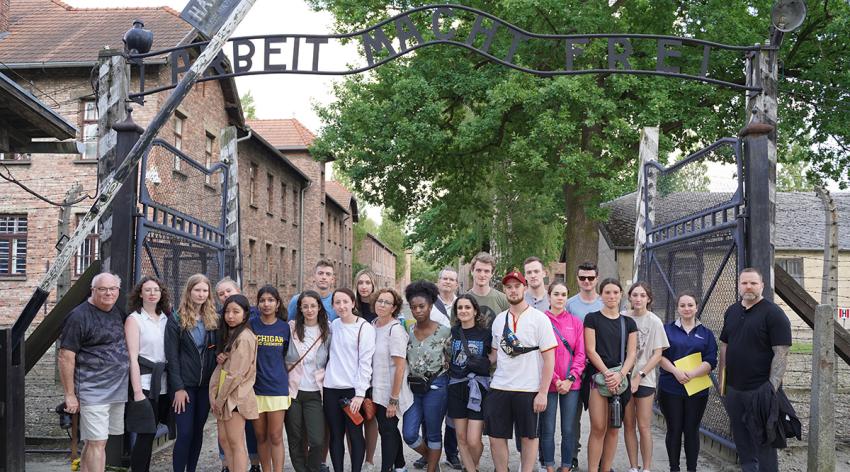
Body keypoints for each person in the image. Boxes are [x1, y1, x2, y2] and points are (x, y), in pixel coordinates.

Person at [719, 268, 792, 472]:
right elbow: (724, 344)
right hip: (734, 389)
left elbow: (781, 353)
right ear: (739, 285)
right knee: (742, 440)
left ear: (762, 285)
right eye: (744, 283)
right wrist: (723, 382)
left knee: (764, 442)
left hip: (760, 390)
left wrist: (771, 388)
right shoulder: (732, 311)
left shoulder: (774, 314)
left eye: (753, 283)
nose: (748, 287)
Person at [485, 269, 557, 472]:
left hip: (528, 388)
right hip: (500, 386)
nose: (513, 290)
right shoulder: (499, 320)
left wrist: (542, 392)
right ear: (504, 290)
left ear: (524, 288)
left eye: (517, 286)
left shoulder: (540, 319)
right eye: (509, 287)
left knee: (528, 437)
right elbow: (494, 355)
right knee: (496, 437)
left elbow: (549, 358)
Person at [58, 273, 129, 472]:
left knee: (95, 442)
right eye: (103, 289)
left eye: (112, 289)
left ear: (118, 291)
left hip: (116, 391)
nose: (108, 293)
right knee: (98, 443)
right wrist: (70, 395)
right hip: (92, 391)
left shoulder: (117, 312)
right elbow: (65, 356)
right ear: (93, 290)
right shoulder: (79, 316)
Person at [165, 273, 220, 472]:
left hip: (205, 386)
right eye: (197, 290)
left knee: (198, 432)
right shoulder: (176, 318)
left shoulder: (214, 318)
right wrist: (178, 388)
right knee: (185, 433)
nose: (201, 294)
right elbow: (172, 357)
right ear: (189, 292)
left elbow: (218, 349)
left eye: (205, 290)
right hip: (185, 387)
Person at [658, 292, 718, 472]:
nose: (686, 308)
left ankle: (692, 468)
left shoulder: (706, 334)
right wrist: (676, 372)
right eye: (682, 305)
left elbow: (711, 361)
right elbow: (659, 356)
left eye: (690, 305)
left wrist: (692, 374)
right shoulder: (666, 330)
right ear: (677, 308)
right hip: (671, 388)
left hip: (696, 390)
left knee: (691, 430)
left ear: (697, 307)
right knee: (674, 429)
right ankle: (674, 468)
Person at [584, 278, 638, 472]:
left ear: (621, 295)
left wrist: (620, 375)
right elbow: (591, 350)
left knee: (614, 427)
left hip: (620, 379)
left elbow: (632, 353)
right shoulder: (592, 319)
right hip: (598, 377)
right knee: (598, 427)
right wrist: (607, 374)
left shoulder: (629, 323)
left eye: (615, 292)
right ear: (600, 295)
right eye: (607, 292)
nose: (612, 296)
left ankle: (605, 469)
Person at [324, 288, 376, 472]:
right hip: (331, 388)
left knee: (355, 434)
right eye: (337, 302)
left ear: (353, 303)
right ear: (333, 306)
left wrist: (360, 394)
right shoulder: (332, 326)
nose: (342, 306)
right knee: (335, 436)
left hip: (353, 391)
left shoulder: (364, 328)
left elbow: (365, 363)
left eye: (345, 301)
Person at [403, 281, 452, 472]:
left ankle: (432, 468)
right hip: (414, 388)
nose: (417, 311)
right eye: (413, 307)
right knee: (409, 433)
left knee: (433, 432)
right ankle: (431, 457)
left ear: (430, 306)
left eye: (421, 306)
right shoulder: (408, 331)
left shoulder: (444, 332)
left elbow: (451, 359)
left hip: (437, 386)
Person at [214, 277, 261, 472]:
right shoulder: (230, 334)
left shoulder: (245, 337)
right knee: (225, 441)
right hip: (224, 396)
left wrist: (219, 399)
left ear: (245, 314)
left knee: (236, 443)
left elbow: (236, 374)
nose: (230, 316)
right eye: (227, 312)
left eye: (236, 312)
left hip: (234, 396)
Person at [125, 276, 171, 472]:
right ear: (140, 294)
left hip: (164, 383)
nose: (152, 293)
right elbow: (132, 358)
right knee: (146, 433)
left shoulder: (166, 318)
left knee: (154, 433)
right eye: (148, 290)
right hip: (144, 384)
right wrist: (137, 392)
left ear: (161, 294)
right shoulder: (134, 319)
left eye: (156, 290)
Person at [539, 281, 585, 472]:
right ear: (549, 296)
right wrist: (555, 379)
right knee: (547, 429)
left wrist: (570, 379)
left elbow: (581, 354)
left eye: (563, 294)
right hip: (548, 384)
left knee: (568, 430)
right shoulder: (541, 320)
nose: (560, 298)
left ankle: (566, 467)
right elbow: (539, 355)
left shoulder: (575, 322)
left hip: (571, 384)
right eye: (556, 294)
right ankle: (548, 466)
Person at [622, 282, 669, 472]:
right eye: (635, 295)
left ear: (648, 299)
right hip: (623, 377)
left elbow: (658, 354)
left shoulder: (655, 321)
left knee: (643, 425)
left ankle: (647, 468)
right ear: (630, 297)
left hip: (645, 379)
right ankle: (634, 466)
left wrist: (639, 375)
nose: (638, 299)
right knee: (628, 424)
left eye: (642, 295)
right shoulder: (623, 318)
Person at [285, 290, 332, 472]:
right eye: (305, 306)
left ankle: (313, 468)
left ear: (319, 307)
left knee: (317, 440)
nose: (310, 310)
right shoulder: (291, 328)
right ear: (300, 309)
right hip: (293, 392)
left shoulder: (328, 329)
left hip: (315, 392)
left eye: (313, 306)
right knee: (295, 437)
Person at [564, 261, 603, 470]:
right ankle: (572, 457)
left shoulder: (605, 302)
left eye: (590, 277)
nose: (586, 281)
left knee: (602, 419)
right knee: (572, 417)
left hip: (599, 368)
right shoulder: (570, 304)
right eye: (582, 278)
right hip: (576, 368)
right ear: (577, 280)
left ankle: (601, 461)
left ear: (597, 278)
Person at [447, 294, 492, 472]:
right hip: (456, 386)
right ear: (456, 312)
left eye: (467, 307)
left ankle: (473, 465)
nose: (463, 311)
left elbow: (493, 357)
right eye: (460, 308)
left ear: (475, 311)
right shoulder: (452, 333)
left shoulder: (485, 334)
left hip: (478, 389)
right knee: (461, 437)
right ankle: (471, 469)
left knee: (474, 440)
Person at [370, 288, 413, 472]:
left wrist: (393, 399)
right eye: (380, 301)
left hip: (391, 390)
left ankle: (386, 468)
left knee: (387, 431)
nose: (382, 304)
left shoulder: (395, 330)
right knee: (387, 429)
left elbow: (400, 367)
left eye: (387, 302)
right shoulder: (372, 325)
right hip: (376, 388)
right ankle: (401, 465)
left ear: (394, 307)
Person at [250, 285, 292, 472]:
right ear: (258, 304)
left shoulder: (285, 327)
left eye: (270, 300)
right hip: (255, 388)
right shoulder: (251, 325)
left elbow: (287, 355)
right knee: (260, 436)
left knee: (275, 435)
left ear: (277, 304)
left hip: (277, 387)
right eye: (262, 300)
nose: (266, 304)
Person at [354, 268, 380, 471]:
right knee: (354, 416)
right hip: (352, 369)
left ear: (373, 285)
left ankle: (369, 460)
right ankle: (356, 457)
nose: (363, 286)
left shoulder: (379, 308)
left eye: (367, 283)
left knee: (370, 415)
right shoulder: (351, 307)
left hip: (375, 369)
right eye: (360, 282)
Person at [467, 252, 509, 325]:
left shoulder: (504, 300)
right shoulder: (462, 301)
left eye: (486, 271)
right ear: (472, 271)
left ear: (492, 274)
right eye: (478, 270)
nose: (482, 275)